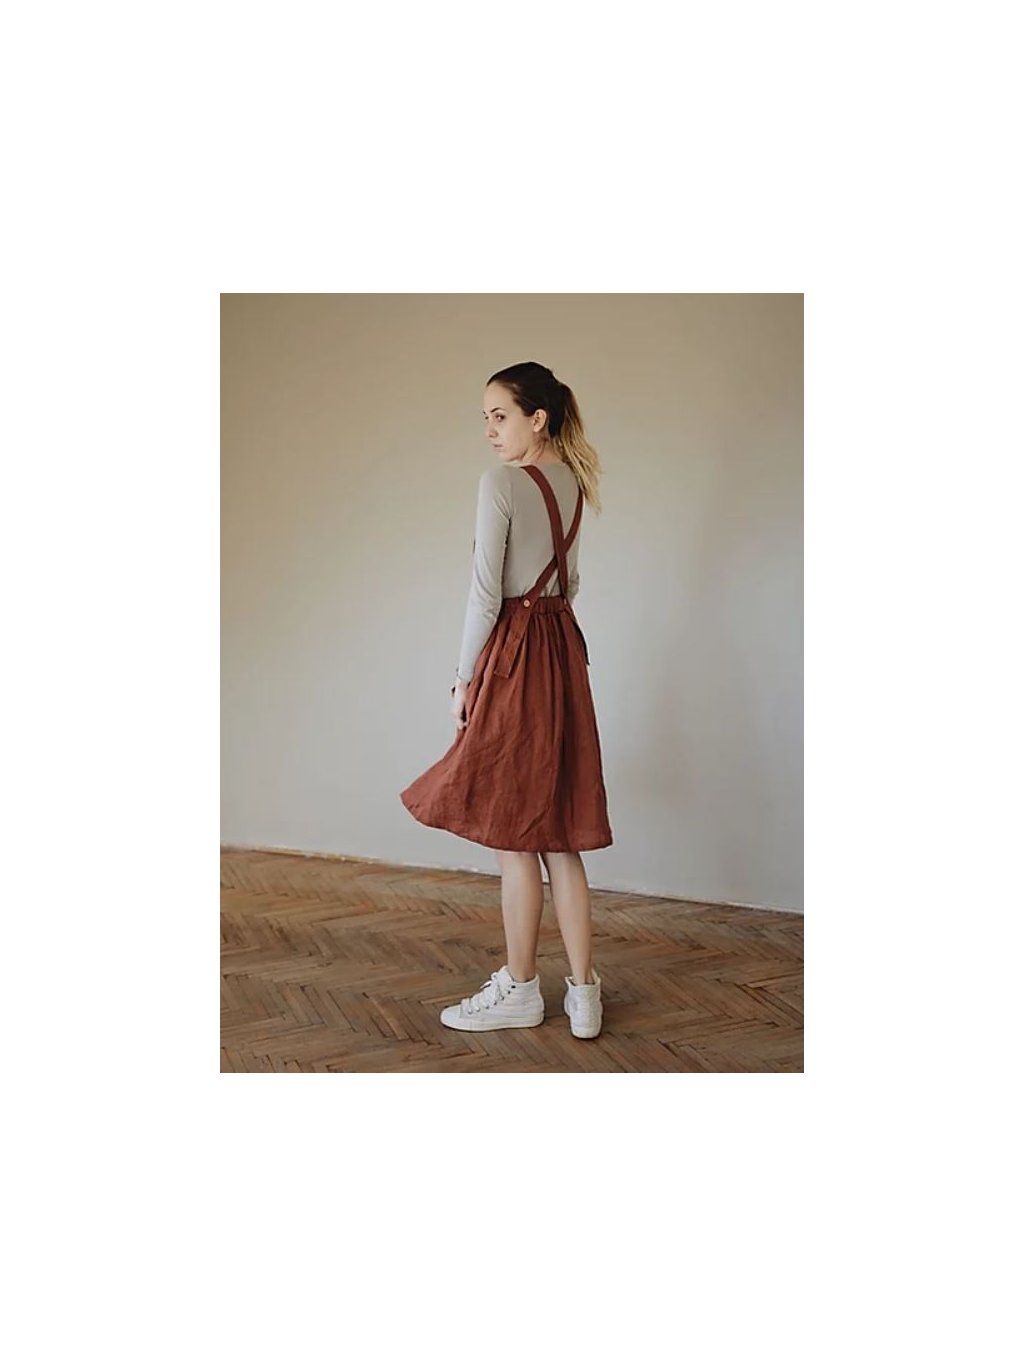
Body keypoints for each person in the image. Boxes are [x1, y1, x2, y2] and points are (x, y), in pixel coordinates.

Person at [400, 361, 613, 1041]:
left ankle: (521, 989)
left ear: (537, 419)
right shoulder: (573, 482)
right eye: (485, 419)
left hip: (516, 656)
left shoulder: (501, 484)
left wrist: (465, 678)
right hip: (562, 653)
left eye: (500, 416)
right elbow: (569, 584)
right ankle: (584, 995)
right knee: (561, 833)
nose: (489, 431)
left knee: (515, 834)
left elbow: (484, 592)